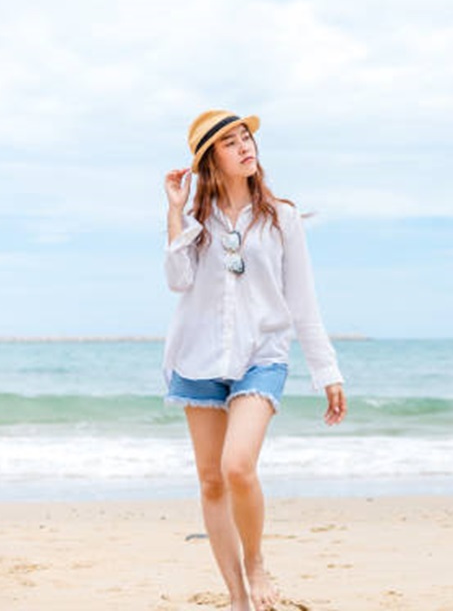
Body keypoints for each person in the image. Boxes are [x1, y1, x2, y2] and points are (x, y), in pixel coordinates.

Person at [162, 110, 347, 611]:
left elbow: (303, 303)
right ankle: (239, 598)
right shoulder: (196, 222)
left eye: (246, 137)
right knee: (210, 479)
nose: (245, 146)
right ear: (209, 160)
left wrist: (325, 371)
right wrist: (175, 213)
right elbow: (177, 281)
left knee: (238, 466)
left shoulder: (282, 217)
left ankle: (256, 560)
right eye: (229, 141)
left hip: (261, 356)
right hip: (196, 359)